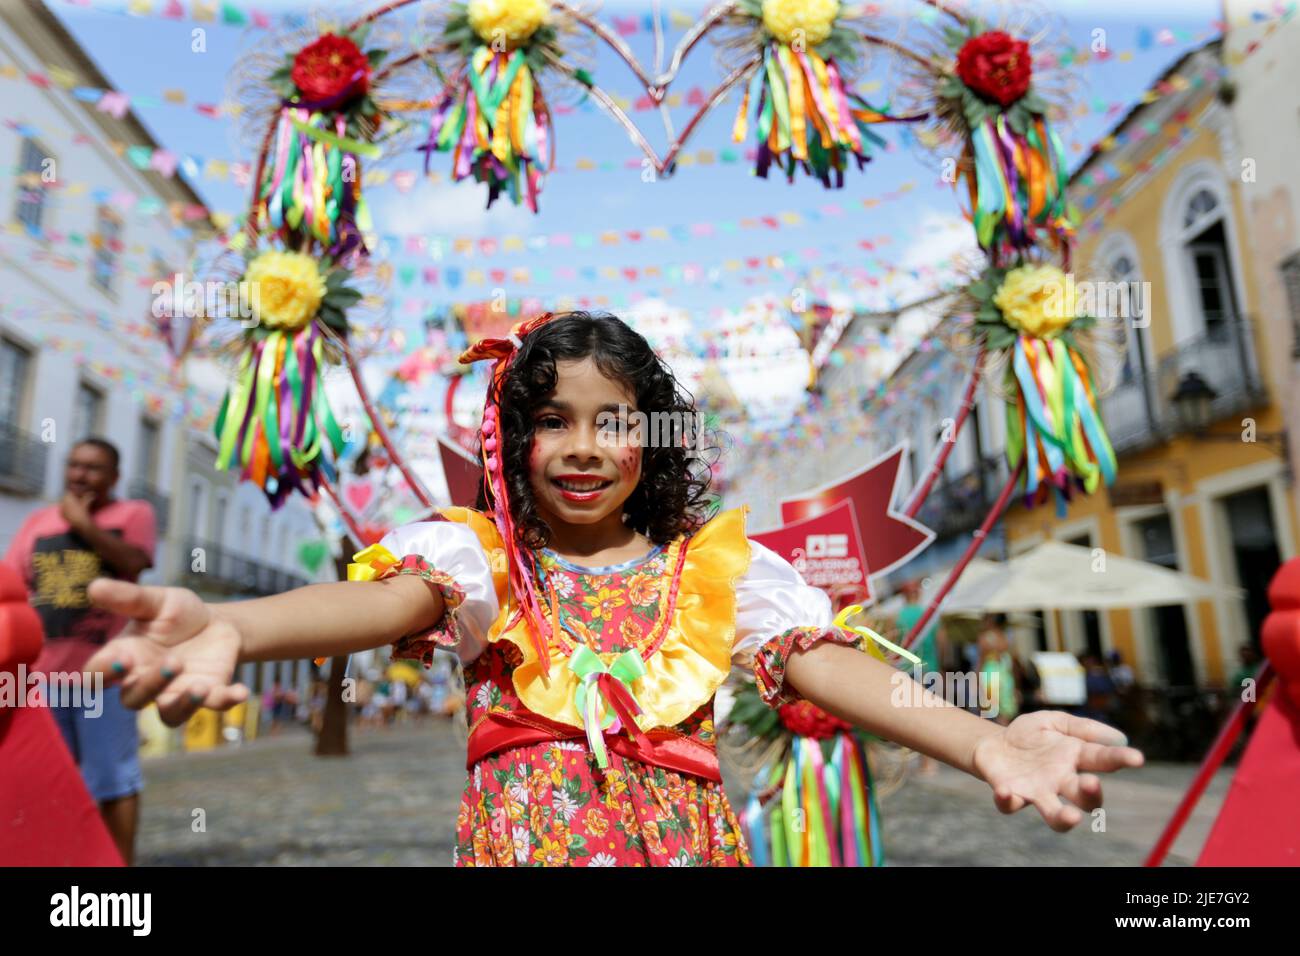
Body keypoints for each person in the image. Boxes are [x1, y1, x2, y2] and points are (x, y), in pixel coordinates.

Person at [85, 311, 1143, 867]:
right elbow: (376, 601)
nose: (581, 447)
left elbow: (827, 665)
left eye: (611, 418)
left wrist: (987, 740)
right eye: (550, 418)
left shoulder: (715, 568)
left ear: (655, 433)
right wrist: (232, 620)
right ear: (512, 439)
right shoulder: (483, 563)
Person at [2, 437, 156, 865]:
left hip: (106, 674)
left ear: (114, 476)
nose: (80, 475)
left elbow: (135, 563)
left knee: (113, 779)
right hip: (44, 678)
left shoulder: (134, 514)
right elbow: (14, 584)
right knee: (51, 780)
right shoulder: (38, 521)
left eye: (93, 467)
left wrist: (83, 525)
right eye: (74, 465)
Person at [977, 613, 1019, 726]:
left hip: (990, 673)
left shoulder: (985, 638)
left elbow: (981, 660)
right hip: (1005, 673)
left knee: (990, 710)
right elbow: (1013, 660)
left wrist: (977, 679)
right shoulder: (1005, 637)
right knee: (1005, 711)